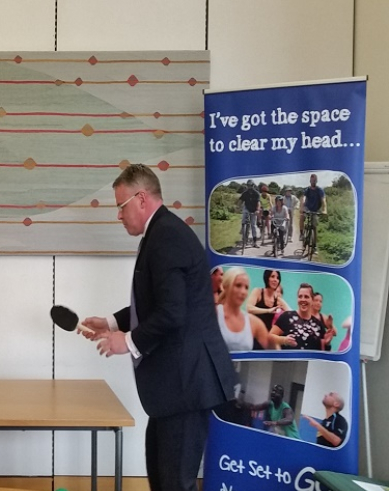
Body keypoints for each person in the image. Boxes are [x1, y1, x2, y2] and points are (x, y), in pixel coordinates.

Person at [79, 163, 237, 491]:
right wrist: (110, 322)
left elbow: (172, 313)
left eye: (121, 206)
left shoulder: (167, 236)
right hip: (174, 388)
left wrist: (128, 341)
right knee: (163, 480)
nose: (118, 216)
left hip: (187, 384)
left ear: (141, 199)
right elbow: (156, 305)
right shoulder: (160, 233)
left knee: (174, 484)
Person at [216, 267, 296, 351]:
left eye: (246, 287)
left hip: (264, 335)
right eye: (272, 276)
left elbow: (291, 313)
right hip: (254, 337)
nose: (243, 292)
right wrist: (268, 310)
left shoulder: (277, 300)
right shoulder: (258, 292)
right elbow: (249, 308)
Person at [270, 283, 327, 350]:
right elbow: (269, 337)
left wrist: (327, 343)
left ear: (312, 300)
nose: (303, 299)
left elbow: (322, 350)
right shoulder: (287, 317)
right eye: (300, 296)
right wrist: (284, 340)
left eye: (306, 297)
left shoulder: (318, 325)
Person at [299, 173, 327, 242]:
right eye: (312, 180)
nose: (313, 182)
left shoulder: (319, 190)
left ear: (316, 181)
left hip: (315, 209)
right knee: (302, 217)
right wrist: (302, 207)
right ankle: (301, 234)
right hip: (307, 208)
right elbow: (304, 198)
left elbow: (323, 200)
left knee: (314, 226)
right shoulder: (307, 190)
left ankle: (314, 244)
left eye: (314, 180)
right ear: (310, 181)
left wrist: (324, 210)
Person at [237, 179, 261, 247]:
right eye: (248, 185)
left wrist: (257, 210)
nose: (250, 187)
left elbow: (258, 203)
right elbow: (240, 201)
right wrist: (238, 208)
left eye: (251, 185)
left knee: (253, 225)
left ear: (253, 186)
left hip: (254, 210)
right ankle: (243, 230)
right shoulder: (245, 193)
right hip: (247, 208)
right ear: (247, 186)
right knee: (244, 218)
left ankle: (254, 242)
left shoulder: (256, 193)